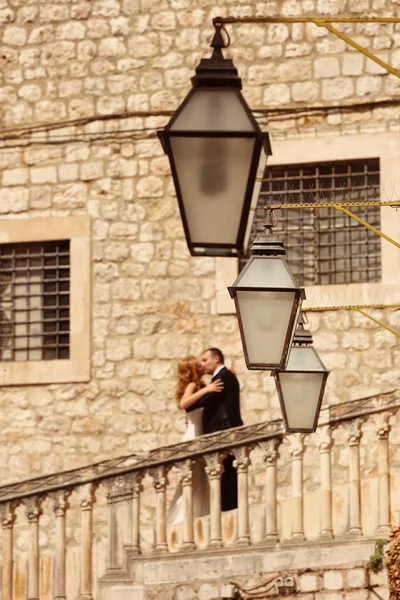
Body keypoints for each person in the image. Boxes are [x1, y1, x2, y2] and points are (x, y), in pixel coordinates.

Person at [183, 348, 243, 512]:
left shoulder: (222, 377)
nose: (203, 364)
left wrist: (193, 404)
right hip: (221, 430)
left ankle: (229, 509)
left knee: (227, 474)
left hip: (225, 430)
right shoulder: (220, 378)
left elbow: (201, 402)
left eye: (205, 360)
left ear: (216, 358)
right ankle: (227, 508)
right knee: (223, 474)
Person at [167, 356, 224, 525]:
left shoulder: (201, 385)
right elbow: (184, 403)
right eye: (198, 365)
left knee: (201, 478)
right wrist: (207, 390)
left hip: (200, 432)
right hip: (194, 434)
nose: (201, 366)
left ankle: (198, 514)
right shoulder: (193, 386)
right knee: (192, 477)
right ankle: (181, 517)